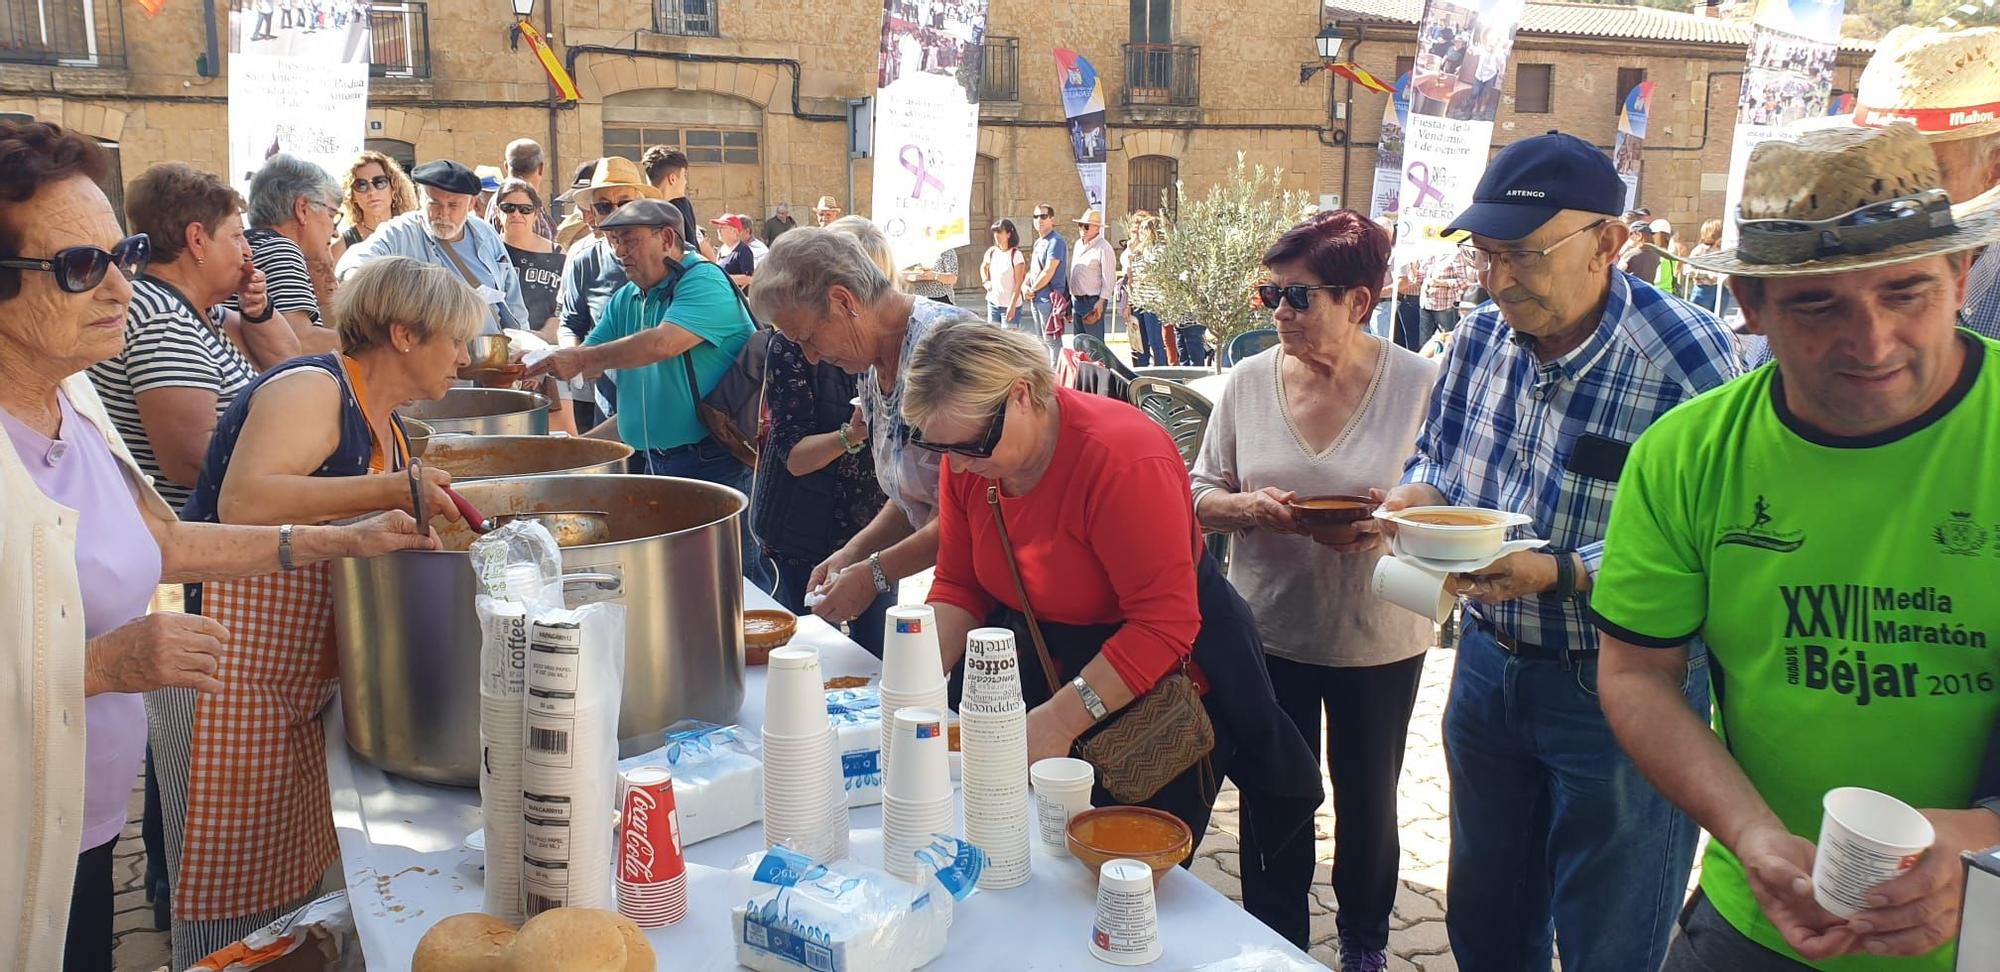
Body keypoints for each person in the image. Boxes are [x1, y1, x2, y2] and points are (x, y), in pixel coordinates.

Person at [0, 119, 431, 972]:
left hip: (79, 820)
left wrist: (340, 543)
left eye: (119, 254)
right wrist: (97, 668)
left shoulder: (72, 400)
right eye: (80, 268)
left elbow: (168, 542)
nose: (122, 288)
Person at [1596, 123, 2000, 972]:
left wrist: (1987, 838)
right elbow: (1637, 674)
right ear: (1750, 304)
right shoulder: (1687, 455)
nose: (1873, 343)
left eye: (1907, 293)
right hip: (1766, 916)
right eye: (1819, 305)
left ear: (1962, 277)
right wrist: (1750, 834)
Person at [1379, 132, 1742, 971]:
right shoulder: (1476, 336)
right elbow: (1439, 454)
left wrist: (1565, 568)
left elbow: (1717, 544)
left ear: (1609, 244)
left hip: (1621, 688)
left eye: (1525, 255)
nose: (1499, 280)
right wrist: (1416, 500)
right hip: (1485, 668)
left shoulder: (1688, 359)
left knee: (1610, 938)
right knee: (1488, 922)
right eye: (1485, 254)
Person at [903, 320, 1322, 942]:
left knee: (1116, 881)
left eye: (972, 446)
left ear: (1023, 394)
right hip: (1044, 655)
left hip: (1155, 673)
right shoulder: (967, 455)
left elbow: (1164, 622)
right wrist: (909, 692)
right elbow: (960, 585)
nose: (960, 468)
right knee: (1026, 865)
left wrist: (1056, 721)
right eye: (942, 451)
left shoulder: (1120, 455)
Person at [157, 256, 476, 968]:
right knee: (226, 900)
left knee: (280, 892)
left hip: (288, 682)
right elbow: (245, 503)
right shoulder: (314, 387)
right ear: (402, 333)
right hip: (219, 670)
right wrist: (392, 488)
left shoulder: (386, 422)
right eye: (455, 339)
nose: (465, 356)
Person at [1189, 209, 1437, 964]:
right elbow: (1199, 493)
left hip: (1379, 633)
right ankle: (1275, 939)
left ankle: (1364, 940)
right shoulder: (1247, 381)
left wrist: (1392, 518)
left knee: (1369, 803)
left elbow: (1446, 482)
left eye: (1299, 297)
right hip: (1270, 633)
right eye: (1271, 295)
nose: (1280, 313)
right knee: (1275, 794)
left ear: (1358, 302)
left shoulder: (1419, 381)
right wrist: (1249, 510)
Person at [525, 200, 769, 589]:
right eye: (614, 241)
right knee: (680, 583)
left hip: (714, 462)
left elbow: (661, 344)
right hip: (656, 465)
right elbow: (591, 361)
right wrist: (570, 445)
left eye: (629, 241)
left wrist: (579, 358)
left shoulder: (703, 280)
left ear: (667, 238)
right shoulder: (629, 297)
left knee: (734, 581)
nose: (619, 252)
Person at [747, 227, 984, 627]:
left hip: (1010, 600)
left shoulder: (947, 350)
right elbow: (915, 495)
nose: (812, 356)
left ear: (843, 301)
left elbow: (971, 510)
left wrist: (876, 572)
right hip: (965, 587)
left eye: (807, 337)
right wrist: (852, 553)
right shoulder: (872, 365)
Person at [89, 162, 302, 513]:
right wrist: (299, 471)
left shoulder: (201, 311)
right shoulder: (163, 316)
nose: (248, 252)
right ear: (197, 240)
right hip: (185, 537)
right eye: (236, 236)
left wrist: (258, 309)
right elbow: (189, 461)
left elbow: (288, 365)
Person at [1847, 25, 2000, 339]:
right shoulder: (1822, 277)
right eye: (1874, 171)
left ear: (1994, 171)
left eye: (1924, 174)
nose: (1890, 198)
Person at [751, 325, 890, 657]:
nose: (815, 352)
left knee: (876, 653)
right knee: (805, 655)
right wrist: (852, 435)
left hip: (875, 524)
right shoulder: (790, 343)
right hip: (800, 529)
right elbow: (795, 457)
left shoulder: (891, 343)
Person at [336, 159, 528, 335]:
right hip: (434, 359)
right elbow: (354, 262)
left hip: (491, 354)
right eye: (434, 203)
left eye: (453, 205)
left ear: (472, 204)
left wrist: (522, 343)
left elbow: (512, 297)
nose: (443, 214)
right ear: (421, 198)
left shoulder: (485, 234)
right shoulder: (401, 231)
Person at [556, 158, 660, 431]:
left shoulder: (677, 256)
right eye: (604, 205)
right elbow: (570, 323)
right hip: (610, 407)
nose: (615, 212)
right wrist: (575, 356)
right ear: (593, 213)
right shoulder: (584, 260)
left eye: (624, 203)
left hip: (668, 412)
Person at [237, 153, 343, 355]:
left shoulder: (252, 245)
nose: (335, 231)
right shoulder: (281, 249)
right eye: (331, 215)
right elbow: (300, 343)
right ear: (302, 208)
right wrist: (377, 343)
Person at [495, 178, 576, 435]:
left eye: (525, 209)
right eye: (508, 208)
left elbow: (563, 311)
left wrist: (537, 340)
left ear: (536, 213)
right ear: (497, 211)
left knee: (561, 431)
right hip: (502, 356)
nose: (516, 214)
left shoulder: (557, 255)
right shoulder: (489, 252)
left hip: (547, 351)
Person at [331, 149, 417, 262]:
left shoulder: (414, 236)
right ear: (352, 195)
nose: (372, 191)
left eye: (379, 182)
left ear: (393, 188)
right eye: (361, 185)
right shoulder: (341, 247)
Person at [642, 146, 716, 260]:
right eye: (684, 176)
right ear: (672, 178)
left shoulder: (640, 212)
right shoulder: (681, 208)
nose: (686, 182)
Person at [1121, 211, 1172, 366]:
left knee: (1155, 340)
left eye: (1144, 229)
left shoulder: (1159, 250)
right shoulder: (1138, 253)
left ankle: (1161, 371)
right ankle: (1142, 371)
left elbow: (1155, 272)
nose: (1140, 233)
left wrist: (1140, 276)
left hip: (1152, 303)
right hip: (1138, 302)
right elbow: (1131, 276)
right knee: (1140, 343)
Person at [490, 138, 556, 239]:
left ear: (506, 167)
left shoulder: (496, 200)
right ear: (541, 168)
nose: (516, 213)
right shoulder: (527, 203)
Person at [1067, 208, 1118, 341]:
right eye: (1080, 225)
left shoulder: (1104, 247)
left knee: (1094, 344)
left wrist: (1101, 301)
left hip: (1092, 301)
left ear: (1097, 228)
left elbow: (1109, 278)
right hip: (1077, 300)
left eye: (1086, 226)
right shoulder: (1079, 244)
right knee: (1079, 342)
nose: (1082, 229)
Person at [1025, 203, 1070, 351]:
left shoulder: (1056, 241)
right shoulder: (1039, 242)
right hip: (1036, 298)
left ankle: (1054, 374)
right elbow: (1034, 271)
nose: (1039, 219)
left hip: (1049, 300)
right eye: (1036, 216)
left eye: (1043, 216)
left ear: (1052, 219)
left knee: (1052, 342)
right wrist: (1025, 286)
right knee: (1041, 343)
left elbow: (1048, 271)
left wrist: (1031, 289)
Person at [1417, 248, 1475, 347]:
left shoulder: (1455, 254)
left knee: (1447, 341)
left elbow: (1463, 281)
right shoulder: (1428, 253)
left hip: (1444, 307)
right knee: (1424, 342)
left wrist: (1441, 283)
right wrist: (1416, 275)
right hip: (1425, 304)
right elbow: (1422, 276)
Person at [981, 218, 1028, 327]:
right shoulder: (992, 252)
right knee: (993, 339)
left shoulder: (1016, 255)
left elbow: (1018, 283)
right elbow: (984, 266)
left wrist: (1012, 306)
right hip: (993, 303)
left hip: (1010, 304)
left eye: (1000, 232)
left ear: (1008, 234)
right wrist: (985, 281)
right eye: (995, 232)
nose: (996, 235)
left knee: (1008, 339)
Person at [1684, 218, 1726, 314]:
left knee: (1718, 319)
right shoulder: (1700, 250)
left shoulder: (1723, 250)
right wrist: (1706, 274)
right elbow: (1687, 269)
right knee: (1699, 316)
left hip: (1722, 289)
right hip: (1704, 289)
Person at [712, 214, 757, 287]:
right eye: (718, 228)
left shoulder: (743, 250)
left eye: (722, 227)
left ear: (734, 230)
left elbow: (749, 278)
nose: (719, 230)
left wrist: (721, 277)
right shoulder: (722, 249)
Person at [1620, 219, 1663, 283]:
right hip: (1648, 289)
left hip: (1632, 290)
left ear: (1639, 234)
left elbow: (1618, 274)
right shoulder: (1656, 254)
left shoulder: (1630, 254)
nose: (1629, 237)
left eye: (1631, 234)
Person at [1650, 218, 1681, 296]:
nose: (1651, 236)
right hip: (1667, 293)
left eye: (1653, 233)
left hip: (1657, 292)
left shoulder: (1659, 255)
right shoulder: (1671, 254)